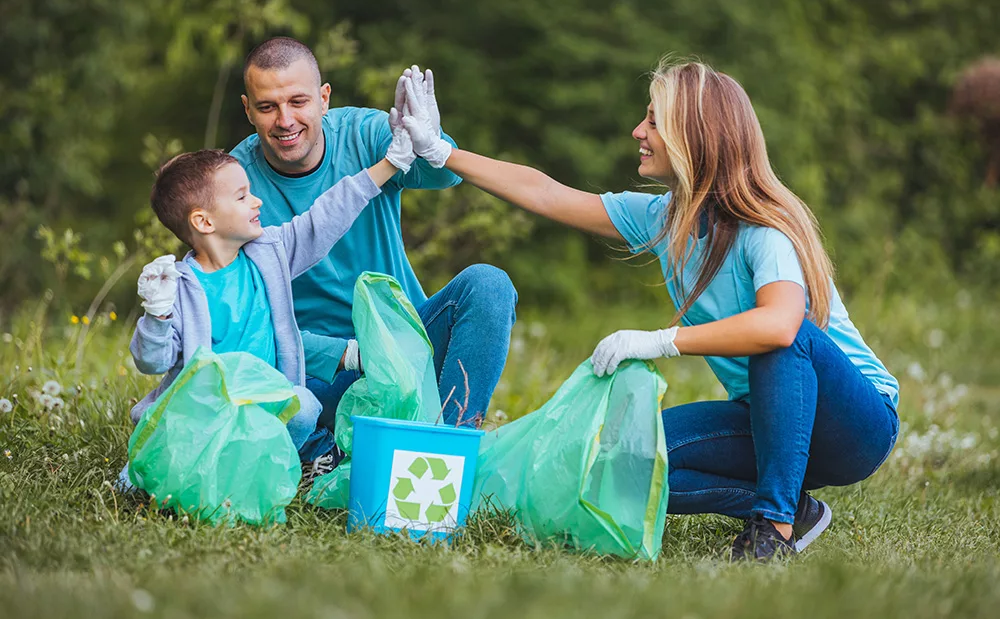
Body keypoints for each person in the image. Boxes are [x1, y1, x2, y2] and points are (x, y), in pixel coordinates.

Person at [397, 60, 900, 561]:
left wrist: (661, 340)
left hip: (853, 426)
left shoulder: (763, 232)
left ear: (694, 136)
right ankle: (792, 506)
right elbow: (547, 193)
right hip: (766, 424)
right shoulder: (667, 220)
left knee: (781, 340)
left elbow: (781, 324)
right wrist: (443, 152)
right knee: (621, 467)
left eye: (655, 122)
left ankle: (774, 529)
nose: (639, 132)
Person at [231, 38, 517, 475]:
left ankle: (453, 454)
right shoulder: (234, 183)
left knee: (489, 284)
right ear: (248, 110)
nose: (285, 120)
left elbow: (441, 179)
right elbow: (242, 319)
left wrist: (432, 142)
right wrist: (344, 355)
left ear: (324, 98)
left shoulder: (363, 134)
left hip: (403, 347)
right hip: (314, 375)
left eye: (298, 101)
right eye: (267, 107)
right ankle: (331, 446)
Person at [128, 146, 407, 474]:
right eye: (242, 196)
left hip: (265, 408)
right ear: (204, 221)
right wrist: (157, 314)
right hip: (206, 418)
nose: (256, 201)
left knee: (302, 407)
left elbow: (325, 217)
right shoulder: (177, 289)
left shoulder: (270, 253)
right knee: (161, 462)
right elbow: (153, 361)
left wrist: (390, 164)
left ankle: (279, 463)